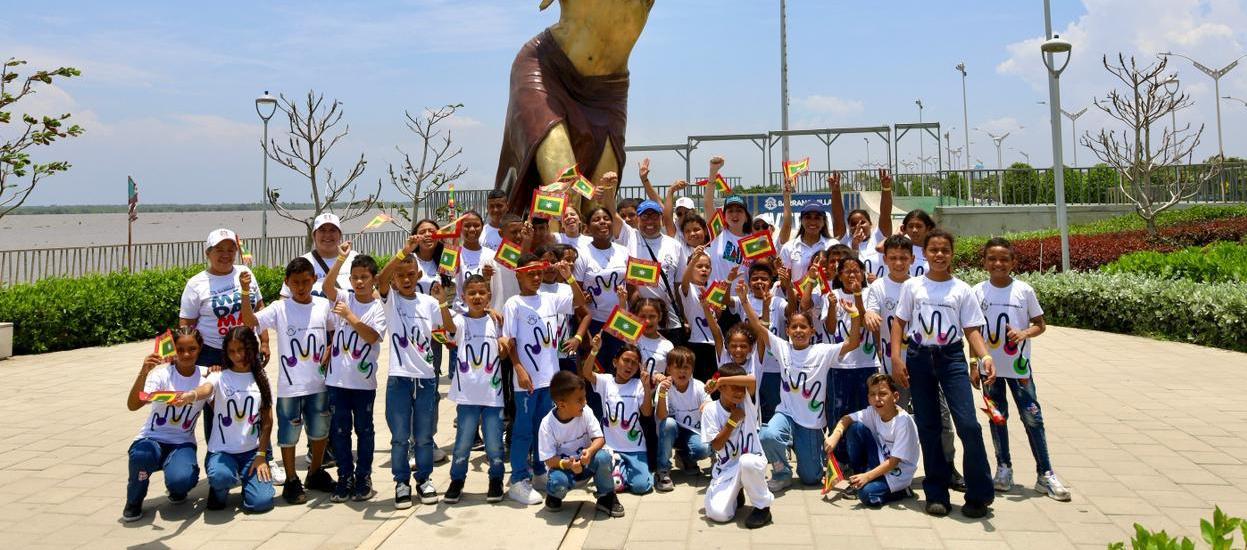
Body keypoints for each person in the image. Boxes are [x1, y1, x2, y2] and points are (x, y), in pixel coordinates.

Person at [890, 227, 996, 518]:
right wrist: (896, 358)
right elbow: (899, 322)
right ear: (924, 253)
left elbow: (972, 329)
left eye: (944, 250)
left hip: (951, 358)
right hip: (919, 357)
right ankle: (936, 492)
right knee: (929, 426)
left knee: (969, 426)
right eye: (933, 250)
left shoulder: (962, 289)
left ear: (952, 254)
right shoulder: (913, 286)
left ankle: (980, 493)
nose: (939, 255)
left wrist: (984, 356)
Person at [974, 237, 1070, 501]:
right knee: (997, 417)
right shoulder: (977, 291)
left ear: (1013, 262)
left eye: (1004, 258)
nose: (998, 263)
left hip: (1019, 370)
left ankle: (1045, 474)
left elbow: (1040, 323)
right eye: (992, 258)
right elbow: (972, 331)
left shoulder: (1024, 291)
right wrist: (974, 363)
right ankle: (1003, 468)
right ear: (984, 262)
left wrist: (1024, 333)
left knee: (1032, 418)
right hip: (990, 370)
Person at [239, 260, 335, 505]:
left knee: (320, 430)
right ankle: (292, 478)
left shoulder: (324, 305)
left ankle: (314, 473)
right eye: (295, 282)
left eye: (305, 281)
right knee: (289, 433)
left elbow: (334, 330)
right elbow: (249, 321)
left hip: (319, 383)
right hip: (290, 387)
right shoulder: (279, 308)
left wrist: (330, 349)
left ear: (314, 279)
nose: (301, 287)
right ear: (287, 283)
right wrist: (245, 291)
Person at [178, 228, 270, 472]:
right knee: (216, 407)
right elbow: (186, 324)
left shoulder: (245, 272)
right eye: (219, 250)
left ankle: (263, 457)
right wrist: (190, 359)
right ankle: (218, 460)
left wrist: (265, 341)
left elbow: (259, 306)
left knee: (257, 401)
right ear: (208, 252)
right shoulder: (196, 284)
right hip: (213, 353)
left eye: (231, 250)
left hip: (246, 351)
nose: (226, 255)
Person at [757, 280, 862, 492]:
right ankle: (782, 472)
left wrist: (855, 315)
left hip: (810, 422)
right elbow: (758, 327)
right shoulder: (782, 348)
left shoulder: (822, 351)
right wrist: (748, 301)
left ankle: (812, 455)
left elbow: (853, 343)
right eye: (793, 327)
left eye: (803, 327)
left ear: (812, 331)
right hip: (786, 414)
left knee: (810, 478)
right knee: (767, 435)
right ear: (787, 330)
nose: (798, 331)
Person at [504, 253, 587, 505]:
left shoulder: (551, 298)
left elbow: (580, 302)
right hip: (527, 381)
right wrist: (518, 368)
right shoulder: (514, 304)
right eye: (530, 273)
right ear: (518, 274)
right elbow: (510, 341)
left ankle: (539, 472)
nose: (536, 278)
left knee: (543, 430)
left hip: (549, 380)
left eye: (539, 273)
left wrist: (569, 276)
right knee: (523, 431)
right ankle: (518, 479)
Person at [377, 234, 446, 509]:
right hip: (400, 379)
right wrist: (403, 251)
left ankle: (424, 479)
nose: (405, 279)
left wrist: (442, 301)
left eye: (410, 274)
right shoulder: (390, 301)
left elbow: (445, 328)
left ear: (418, 275)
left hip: (427, 379)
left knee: (424, 436)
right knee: (399, 437)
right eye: (399, 275)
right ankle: (401, 481)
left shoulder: (428, 303)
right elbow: (379, 280)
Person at [175, 327, 275, 514]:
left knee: (261, 504)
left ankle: (250, 485)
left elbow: (268, 422)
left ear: (251, 349)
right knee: (221, 477)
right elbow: (206, 389)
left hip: (251, 454)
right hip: (221, 452)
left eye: (241, 350)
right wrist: (192, 395)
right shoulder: (219, 376)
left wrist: (262, 455)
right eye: (231, 351)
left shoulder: (261, 378)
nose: (237, 356)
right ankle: (219, 490)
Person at [321, 244, 386, 503]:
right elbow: (327, 286)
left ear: (373, 279)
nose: (359, 282)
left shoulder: (377, 307)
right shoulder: (343, 297)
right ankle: (344, 476)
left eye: (365, 277)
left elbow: (371, 336)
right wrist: (340, 258)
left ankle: (364, 477)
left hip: (363, 383)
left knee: (365, 431)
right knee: (339, 431)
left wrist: (349, 316)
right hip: (336, 381)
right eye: (355, 277)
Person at [122, 327, 207, 522]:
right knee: (142, 457)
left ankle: (177, 485)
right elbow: (133, 405)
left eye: (192, 349)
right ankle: (134, 499)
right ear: (172, 350)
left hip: (182, 442)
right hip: (151, 439)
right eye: (180, 349)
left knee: (182, 480)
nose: (186, 354)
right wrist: (143, 371)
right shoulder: (162, 375)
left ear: (200, 348)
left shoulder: (206, 375)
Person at [440, 274, 508, 504]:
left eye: (482, 293)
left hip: (493, 395)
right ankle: (457, 480)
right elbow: (448, 327)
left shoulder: (497, 321)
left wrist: (504, 346)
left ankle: (496, 479)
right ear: (463, 297)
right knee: (463, 443)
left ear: (489, 296)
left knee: (494, 443)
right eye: (472, 293)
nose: (477, 297)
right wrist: (442, 303)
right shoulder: (460, 320)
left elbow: (505, 349)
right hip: (467, 396)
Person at [822, 373, 919, 507]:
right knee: (855, 428)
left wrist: (867, 477)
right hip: (879, 460)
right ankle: (859, 477)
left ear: (895, 396)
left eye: (883, 394)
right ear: (868, 398)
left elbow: (893, 462)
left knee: (866, 495)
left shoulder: (903, 422)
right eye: (872, 394)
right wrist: (835, 436)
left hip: (897, 472)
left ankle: (902, 491)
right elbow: (847, 419)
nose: (877, 399)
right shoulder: (873, 412)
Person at [821, 256, 880, 467]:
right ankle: (839, 459)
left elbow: (866, 323)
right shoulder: (832, 295)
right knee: (838, 411)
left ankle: (864, 457)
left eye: (856, 270)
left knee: (865, 411)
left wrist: (857, 295)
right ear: (839, 274)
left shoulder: (869, 293)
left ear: (863, 273)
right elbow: (829, 328)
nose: (852, 274)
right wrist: (831, 307)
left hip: (866, 363)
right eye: (847, 271)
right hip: (839, 365)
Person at [538, 371, 621, 517]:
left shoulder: (586, 412)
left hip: (587, 463)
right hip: (564, 469)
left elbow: (600, 438)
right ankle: (554, 494)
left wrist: (590, 451)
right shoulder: (547, 424)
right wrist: (568, 465)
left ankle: (606, 496)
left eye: (584, 397)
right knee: (558, 481)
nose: (585, 402)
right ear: (562, 404)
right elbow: (549, 460)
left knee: (603, 457)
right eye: (579, 400)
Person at [701, 363, 772, 528]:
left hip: (751, 461)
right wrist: (732, 421)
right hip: (726, 468)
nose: (740, 391)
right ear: (721, 388)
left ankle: (763, 508)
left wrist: (720, 379)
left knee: (747, 461)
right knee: (718, 515)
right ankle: (737, 491)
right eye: (734, 387)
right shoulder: (711, 410)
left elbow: (752, 380)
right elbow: (717, 446)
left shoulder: (748, 401)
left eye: (742, 387)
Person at [583, 334, 655, 496]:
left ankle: (627, 473)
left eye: (634, 363)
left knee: (641, 487)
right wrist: (594, 351)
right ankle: (620, 472)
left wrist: (646, 386)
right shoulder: (606, 381)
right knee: (614, 485)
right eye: (625, 360)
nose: (629, 366)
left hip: (636, 448)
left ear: (638, 367)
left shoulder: (638, 385)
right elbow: (587, 373)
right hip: (611, 449)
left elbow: (647, 412)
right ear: (615, 362)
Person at [625, 199, 688, 345]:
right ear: (637, 219)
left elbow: (679, 285)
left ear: (661, 219)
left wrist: (684, 317)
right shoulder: (630, 238)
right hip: (637, 321)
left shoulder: (675, 245)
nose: (649, 221)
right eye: (645, 217)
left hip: (670, 322)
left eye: (654, 216)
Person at [573, 207, 629, 362]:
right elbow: (575, 296)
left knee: (623, 370)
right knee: (597, 373)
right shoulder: (582, 254)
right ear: (587, 227)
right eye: (596, 220)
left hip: (622, 321)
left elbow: (632, 287)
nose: (603, 222)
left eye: (606, 218)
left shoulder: (623, 251)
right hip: (595, 323)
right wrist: (586, 334)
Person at [653, 347, 711, 492]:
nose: (682, 371)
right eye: (677, 367)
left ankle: (685, 457)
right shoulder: (664, 386)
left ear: (692, 369)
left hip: (692, 432)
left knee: (703, 449)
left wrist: (707, 407)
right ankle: (663, 470)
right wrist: (661, 393)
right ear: (668, 369)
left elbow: (710, 408)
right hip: (671, 433)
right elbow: (661, 416)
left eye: (686, 367)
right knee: (668, 423)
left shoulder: (698, 386)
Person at [830, 170, 893, 282]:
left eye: (863, 222)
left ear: (871, 224)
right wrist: (835, 191)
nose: (858, 226)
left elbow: (885, 214)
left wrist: (886, 189)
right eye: (853, 224)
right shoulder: (845, 242)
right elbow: (838, 217)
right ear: (848, 227)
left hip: (880, 295)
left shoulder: (879, 237)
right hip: (854, 294)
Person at [678, 247, 721, 382]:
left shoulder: (714, 289)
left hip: (715, 345)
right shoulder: (687, 288)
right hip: (695, 343)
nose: (704, 269)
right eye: (699, 266)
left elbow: (717, 317)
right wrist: (693, 258)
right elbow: (684, 281)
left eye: (707, 267)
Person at [780, 202, 837, 283]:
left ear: (824, 221)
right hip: (798, 295)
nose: (812, 222)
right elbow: (785, 282)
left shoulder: (833, 245)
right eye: (808, 217)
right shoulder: (788, 248)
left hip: (829, 295)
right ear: (801, 220)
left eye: (817, 218)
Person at [901, 209, 936, 278]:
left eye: (919, 226)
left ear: (928, 228)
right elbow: (879, 248)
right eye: (910, 226)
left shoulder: (936, 251)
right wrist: (899, 234)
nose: (914, 230)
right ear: (905, 228)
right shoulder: (900, 248)